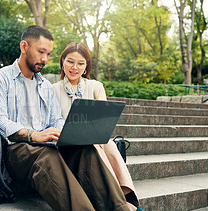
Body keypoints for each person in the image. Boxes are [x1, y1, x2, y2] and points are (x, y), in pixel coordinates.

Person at [0, 25, 132, 211]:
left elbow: (56, 119)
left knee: (85, 150)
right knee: (47, 155)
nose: (44, 59)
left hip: (46, 146)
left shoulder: (45, 86)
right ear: (24, 46)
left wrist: (66, 135)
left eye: (48, 54)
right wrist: (33, 135)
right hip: (15, 152)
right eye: (41, 52)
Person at [53, 41, 142, 210]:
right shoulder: (52, 90)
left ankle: (127, 196)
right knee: (95, 144)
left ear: (86, 67)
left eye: (80, 63)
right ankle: (120, 198)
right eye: (70, 61)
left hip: (95, 143)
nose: (74, 67)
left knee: (105, 142)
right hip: (67, 149)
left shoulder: (95, 87)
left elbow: (103, 122)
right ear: (62, 61)